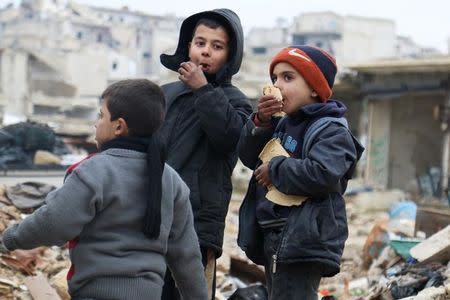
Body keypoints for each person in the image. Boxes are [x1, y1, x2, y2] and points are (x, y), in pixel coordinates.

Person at [0, 79, 208, 300]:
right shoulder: (172, 181)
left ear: (119, 126)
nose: (96, 124)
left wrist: (9, 239)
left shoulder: (93, 171)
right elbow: (187, 258)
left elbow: (54, 223)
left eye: (101, 116)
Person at [237, 45, 365, 300]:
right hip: (277, 237)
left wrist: (276, 169)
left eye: (288, 77)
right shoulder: (283, 123)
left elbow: (323, 173)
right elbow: (250, 158)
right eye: (274, 78)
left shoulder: (331, 130)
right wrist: (261, 123)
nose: (277, 86)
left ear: (315, 87)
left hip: (304, 239)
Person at [158, 8, 252, 300]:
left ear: (230, 55)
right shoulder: (165, 95)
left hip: (196, 226)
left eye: (217, 46)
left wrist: (203, 91)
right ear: (188, 46)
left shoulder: (237, 102)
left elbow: (229, 140)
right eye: (200, 43)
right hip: (152, 217)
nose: (206, 52)